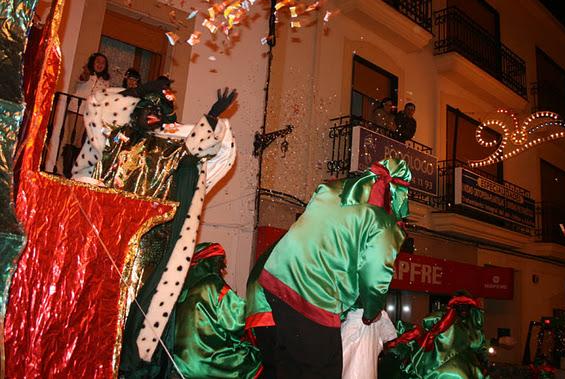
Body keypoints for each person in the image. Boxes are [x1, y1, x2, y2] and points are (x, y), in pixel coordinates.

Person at [70, 78, 237, 378]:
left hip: (151, 249)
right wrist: (138, 89)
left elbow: (199, 147)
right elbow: (95, 107)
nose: (154, 111)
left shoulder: (169, 147)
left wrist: (212, 115)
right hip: (111, 242)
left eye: (161, 108)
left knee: (138, 315)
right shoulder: (116, 141)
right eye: (147, 105)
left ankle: (127, 368)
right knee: (101, 310)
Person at [245, 159, 412, 379]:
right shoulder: (384, 224)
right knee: (324, 370)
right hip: (314, 296)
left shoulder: (334, 189)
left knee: (289, 367)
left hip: (275, 281)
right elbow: (374, 278)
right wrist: (371, 313)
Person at [172, 242, 262, 379]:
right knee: (257, 360)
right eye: (220, 266)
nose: (221, 272)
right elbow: (239, 320)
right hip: (209, 363)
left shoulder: (181, 291)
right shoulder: (214, 285)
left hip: (181, 365)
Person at [380, 290, 489, 379]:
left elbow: (480, 348)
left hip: (467, 366)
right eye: (460, 306)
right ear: (454, 307)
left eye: (466, 306)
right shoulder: (443, 319)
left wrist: (484, 362)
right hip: (439, 362)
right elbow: (428, 328)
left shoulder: (474, 327)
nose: (464, 309)